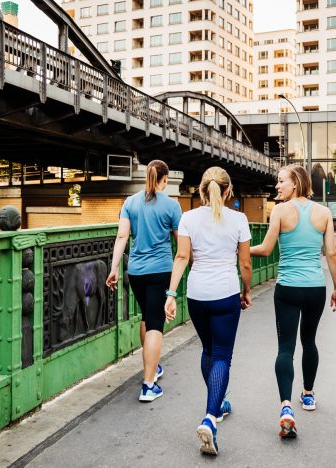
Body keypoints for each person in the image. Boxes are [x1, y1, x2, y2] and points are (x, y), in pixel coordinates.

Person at [250, 164, 336, 439]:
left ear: (295, 183)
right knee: (310, 341)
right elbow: (332, 254)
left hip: (288, 288)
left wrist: (240, 247)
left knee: (285, 349)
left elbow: (266, 249)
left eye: (281, 182)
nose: (277, 186)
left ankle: (286, 408)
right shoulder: (324, 213)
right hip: (315, 287)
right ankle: (309, 394)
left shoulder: (279, 212)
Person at [165, 166, 253, 456]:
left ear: (201, 191)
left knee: (208, 350)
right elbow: (245, 265)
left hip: (197, 295)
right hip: (226, 293)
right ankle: (210, 417)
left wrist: (170, 293)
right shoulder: (239, 219)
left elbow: (181, 256)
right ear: (227, 192)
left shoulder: (188, 218)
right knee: (223, 356)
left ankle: (218, 403)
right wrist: (246, 289)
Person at [106, 160, 182, 402]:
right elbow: (182, 244)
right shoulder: (172, 206)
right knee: (156, 324)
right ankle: (148, 385)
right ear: (165, 179)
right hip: (161, 270)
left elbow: (121, 236)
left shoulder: (130, 202)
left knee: (147, 317)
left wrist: (114, 267)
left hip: (136, 271)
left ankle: (152, 367)